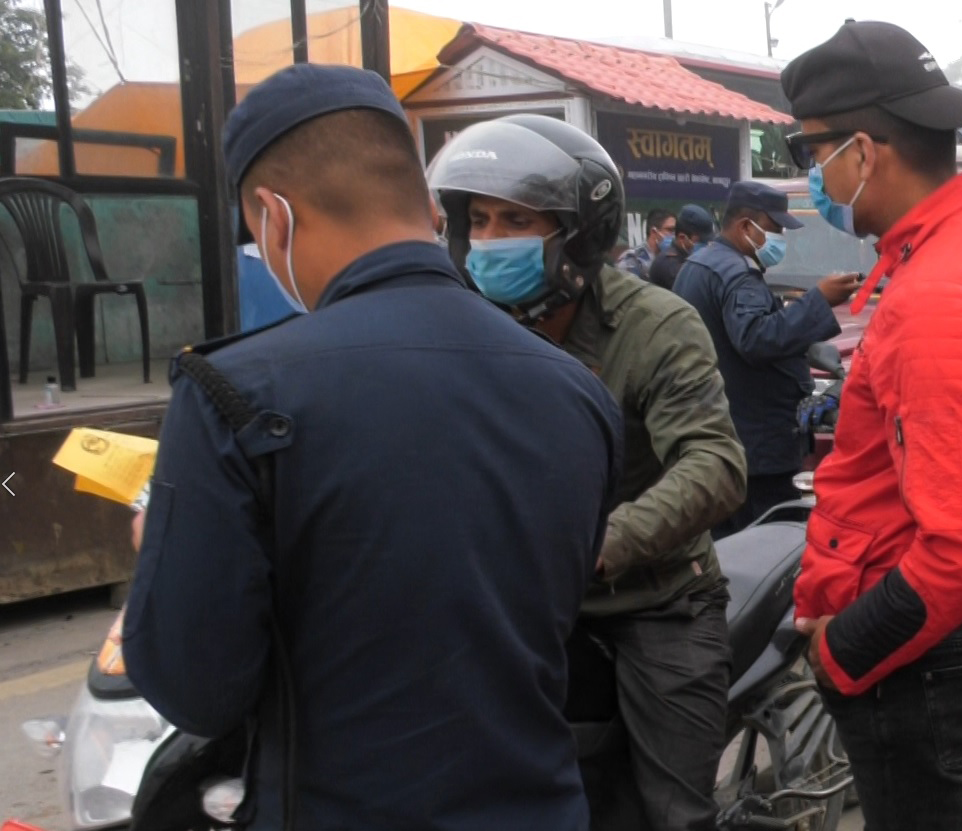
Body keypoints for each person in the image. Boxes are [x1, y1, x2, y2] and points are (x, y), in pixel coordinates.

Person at [123, 65, 624, 829]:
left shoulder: (234, 391)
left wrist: (159, 546)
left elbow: (197, 689)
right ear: (429, 206)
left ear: (273, 215)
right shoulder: (575, 391)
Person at [429, 115, 748, 831]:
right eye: (476, 220)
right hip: (516, 600)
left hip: (654, 599)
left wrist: (597, 542)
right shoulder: (466, 327)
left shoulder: (656, 325)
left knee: (675, 812)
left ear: (577, 232)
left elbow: (715, 463)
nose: (488, 240)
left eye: (515, 219)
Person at [781, 21, 962, 830]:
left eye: (812, 154)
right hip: (934, 639)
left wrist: (842, 655)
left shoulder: (941, 293)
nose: (813, 179)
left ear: (863, 153)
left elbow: (959, 549)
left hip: (918, 655)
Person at [676, 179, 862, 536]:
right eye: (774, 230)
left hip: (719, 437)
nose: (778, 240)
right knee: (767, 543)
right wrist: (818, 300)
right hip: (756, 448)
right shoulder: (737, 273)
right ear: (746, 226)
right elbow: (757, 338)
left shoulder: (700, 265)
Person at [648, 204, 714, 290]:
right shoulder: (669, 264)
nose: (705, 245)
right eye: (699, 241)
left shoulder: (688, 257)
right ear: (682, 238)